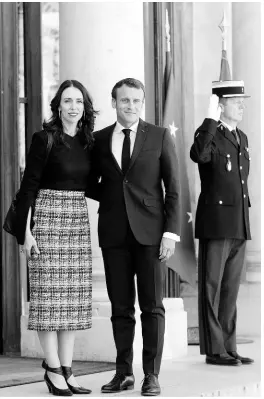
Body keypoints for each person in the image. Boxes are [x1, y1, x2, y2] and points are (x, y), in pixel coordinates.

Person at [86, 78, 181, 396]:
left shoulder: (158, 135)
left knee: (152, 307)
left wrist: (170, 233)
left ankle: (151, 374)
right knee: (120, 307)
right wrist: (114, 198)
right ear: (114, 102)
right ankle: (123, 372)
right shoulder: (98, 140)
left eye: (136, 101)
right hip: (113, 233)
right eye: (124, 100)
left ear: (142, 103)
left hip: (152, 235)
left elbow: (174, 188)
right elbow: (89, 183)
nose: (130, 106)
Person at [16, 79, 98, 395]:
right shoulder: (44, 138)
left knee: (72, 301)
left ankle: (67, 369)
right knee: (49, 299)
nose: (73, 106)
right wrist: (26, 234)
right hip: (47, 219)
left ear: (85, 107)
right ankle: (51, 368)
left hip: (77, 221)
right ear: (58, 106)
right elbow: (28, 187)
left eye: (78, 101)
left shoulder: (89, 142)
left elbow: (95, 185)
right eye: (67, 101)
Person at [190, 80, 254, 366]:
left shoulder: (242, 136)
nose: (241, 105)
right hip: (216, 222)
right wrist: (209, 119)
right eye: (235, 100)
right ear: (220, 105)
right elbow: (199, 155)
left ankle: (229, 345)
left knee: (230, 288)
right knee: (212, 286)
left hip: (238, 221)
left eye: (242, 101)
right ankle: (215, 350)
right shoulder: (209, 134)